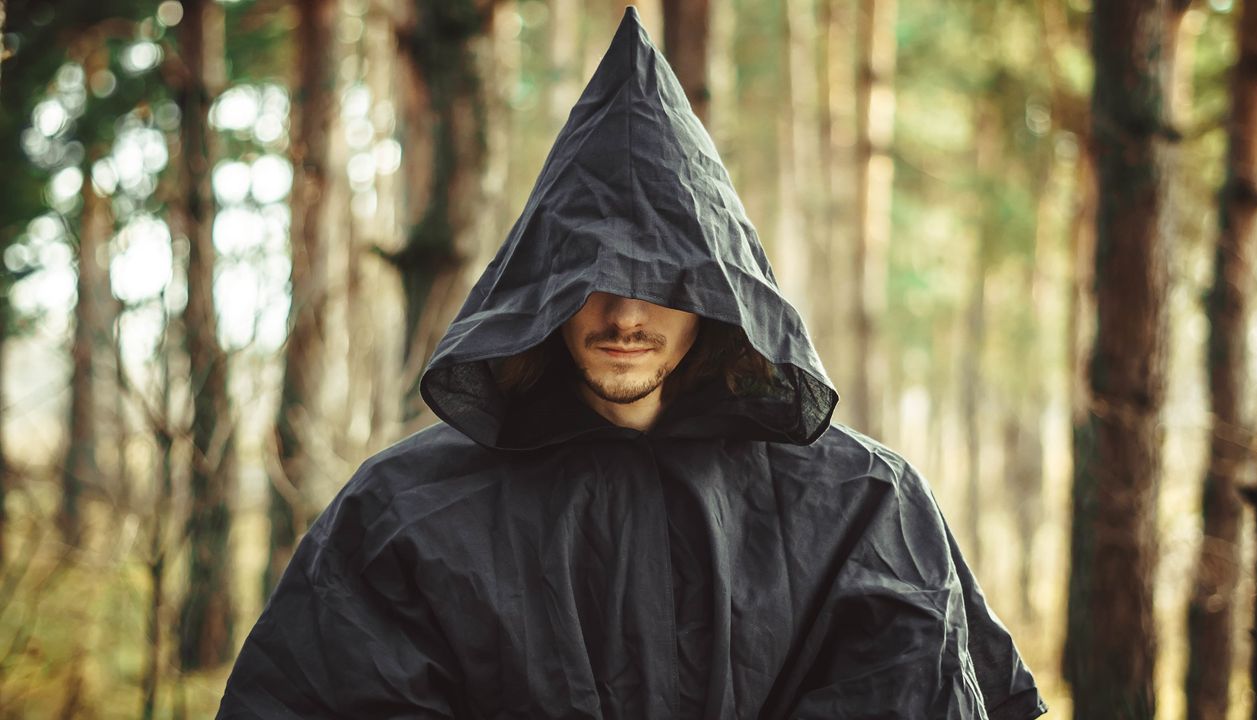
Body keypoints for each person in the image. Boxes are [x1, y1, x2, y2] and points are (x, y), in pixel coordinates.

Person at [217, 7, 1046, 719]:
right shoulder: (406, 510)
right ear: (543, 286)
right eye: (592, 282)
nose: (623, 316)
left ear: (713, 294)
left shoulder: (861, 506)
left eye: (657, 282)